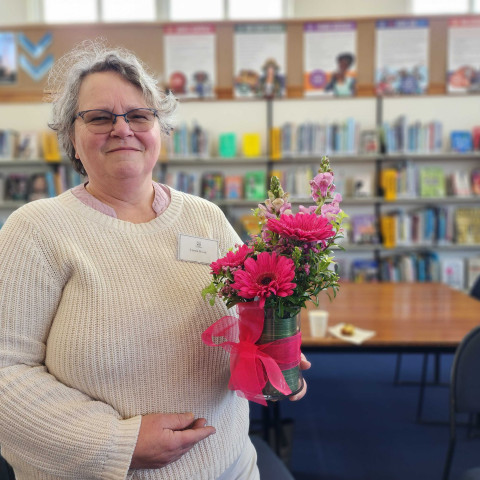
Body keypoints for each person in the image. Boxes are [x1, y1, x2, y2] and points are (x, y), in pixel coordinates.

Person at [0, 41, 310, 479]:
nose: (122, 129)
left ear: (159, 129)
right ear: (71, 134)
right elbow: (5, 372)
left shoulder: (206, 217)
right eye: (100, 117)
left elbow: (245, 320)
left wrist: (272, 354)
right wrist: (115, 442)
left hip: (231, 468)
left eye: (139, 116)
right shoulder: (35, 230)